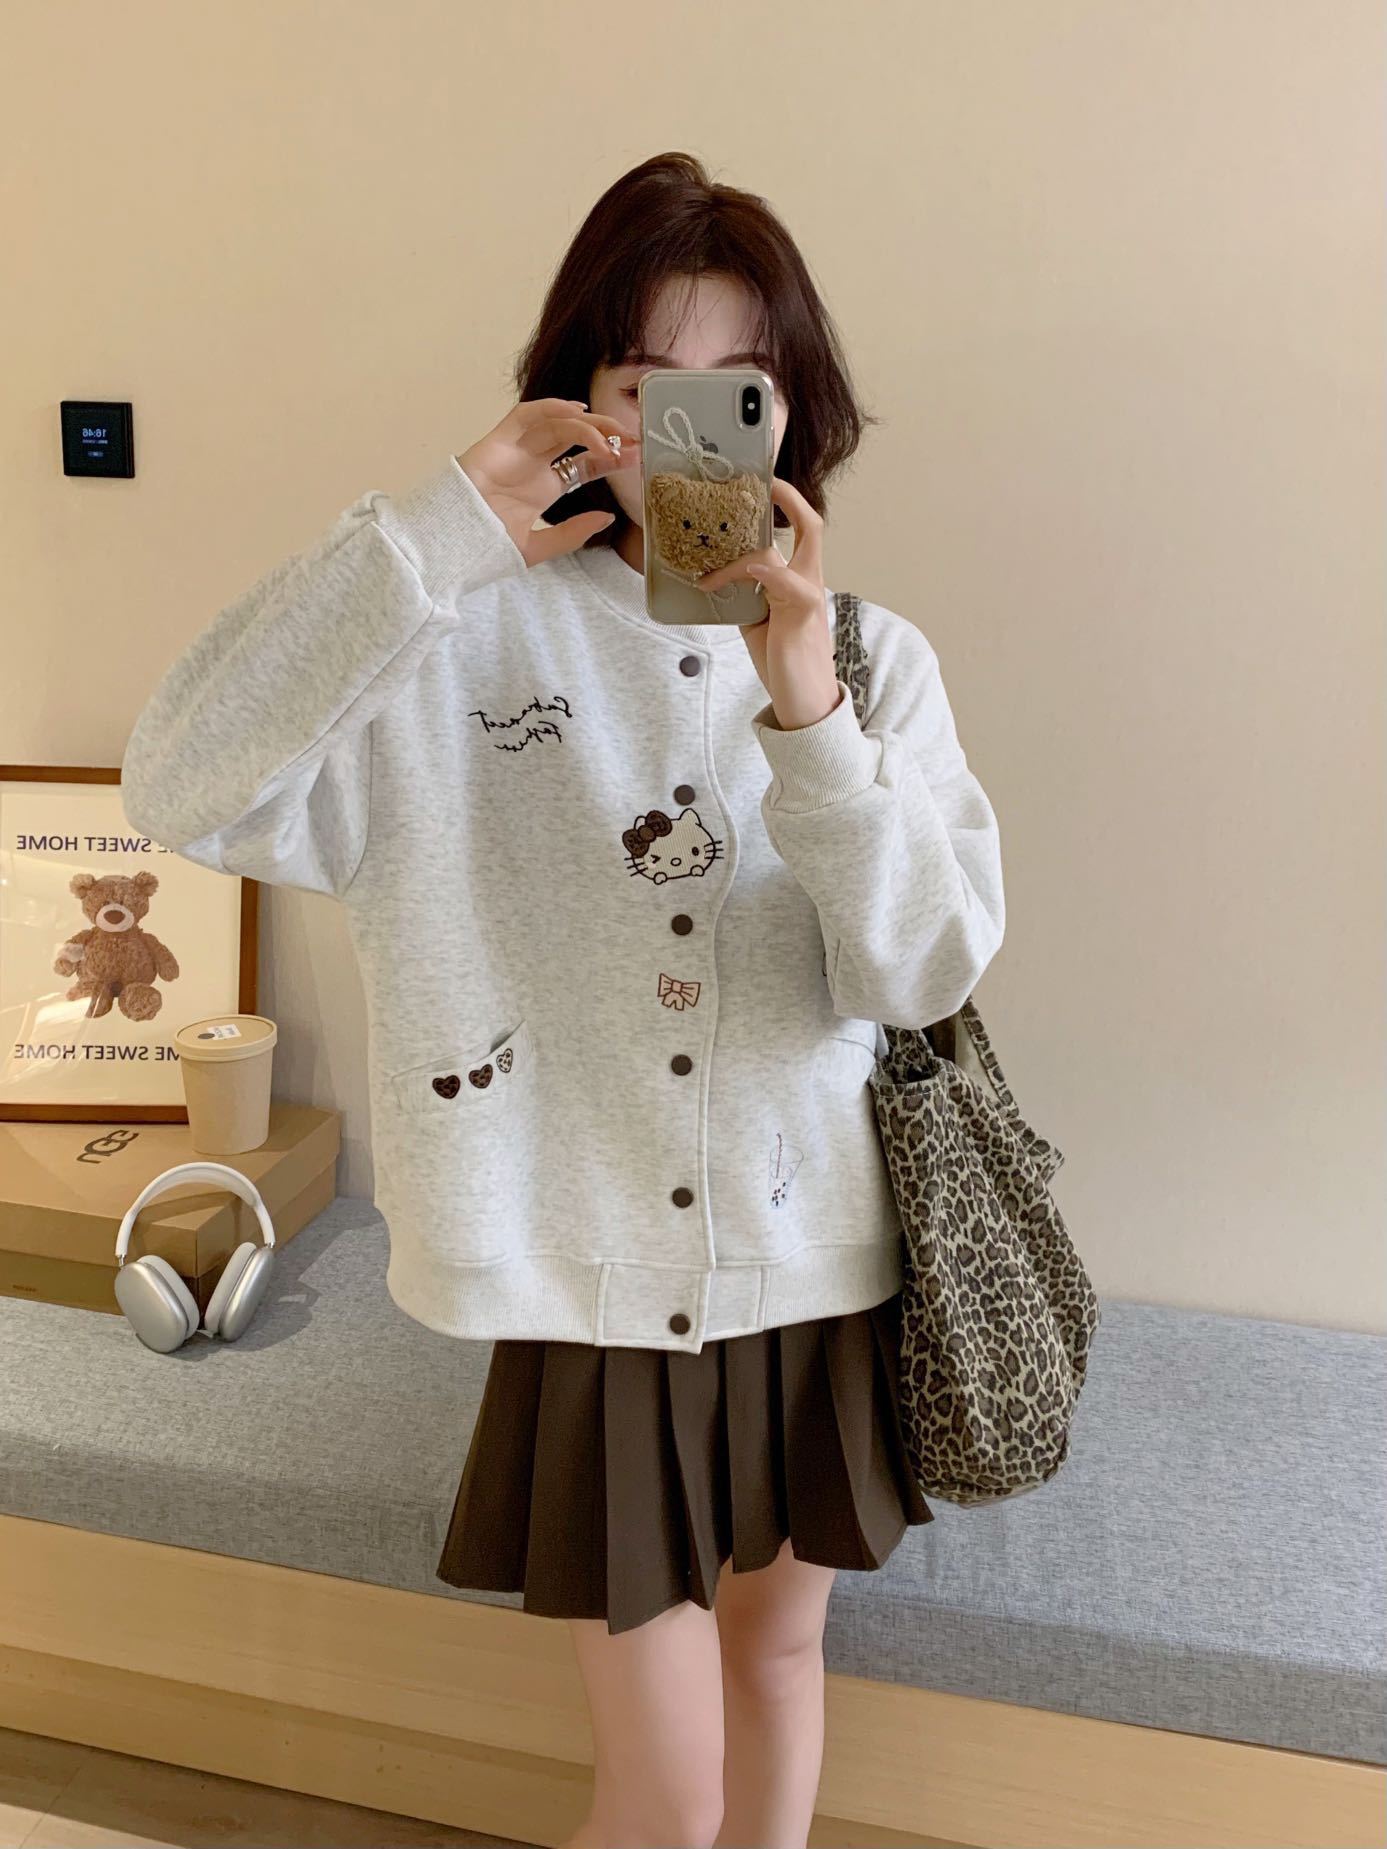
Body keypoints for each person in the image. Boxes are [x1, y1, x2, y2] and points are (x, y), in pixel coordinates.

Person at [121, 150, 1006, 1849]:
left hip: (816, 1263)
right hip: (593, 1283)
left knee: (781, 1661)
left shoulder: (871, 659)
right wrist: (439, 527)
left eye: (736, 390)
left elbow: (922, 968)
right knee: (666, 1800)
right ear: (576, 404)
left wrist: (810, 716)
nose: (688, 433)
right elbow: (180, 781)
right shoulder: (456, 639)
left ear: (794, 411)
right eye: (642, 385)